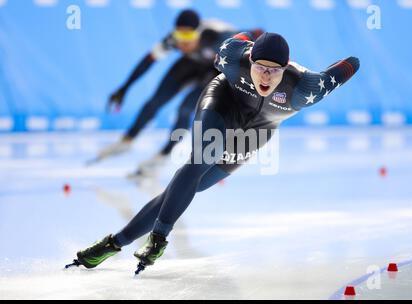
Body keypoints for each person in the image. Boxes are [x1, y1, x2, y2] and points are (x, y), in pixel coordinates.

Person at [66, 32, 360, 274]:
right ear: (250, 59)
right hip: (222, 102)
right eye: (260, 67)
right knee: (200, 159)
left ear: (285, 69)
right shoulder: (232, 58)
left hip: (257, 130)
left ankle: (112, 243)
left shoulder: (307, 88)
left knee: (184, 188)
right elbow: (239, 39)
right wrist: (249, 39)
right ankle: (158, 239)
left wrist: (346, 64)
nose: (266, 76)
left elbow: (349, 65)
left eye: (274, 71)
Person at [92, 9, 263, 179]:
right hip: (191, 63)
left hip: (214, 70)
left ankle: (162, 156)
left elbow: (252, 40)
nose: (183, 43)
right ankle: (127, 141)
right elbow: (147, 61)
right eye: (180, 37)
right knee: (156, 100)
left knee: (186, 108)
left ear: (199, 33)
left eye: (188, 38)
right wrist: (124, 88)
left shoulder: (218, 36)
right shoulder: (173, 40)